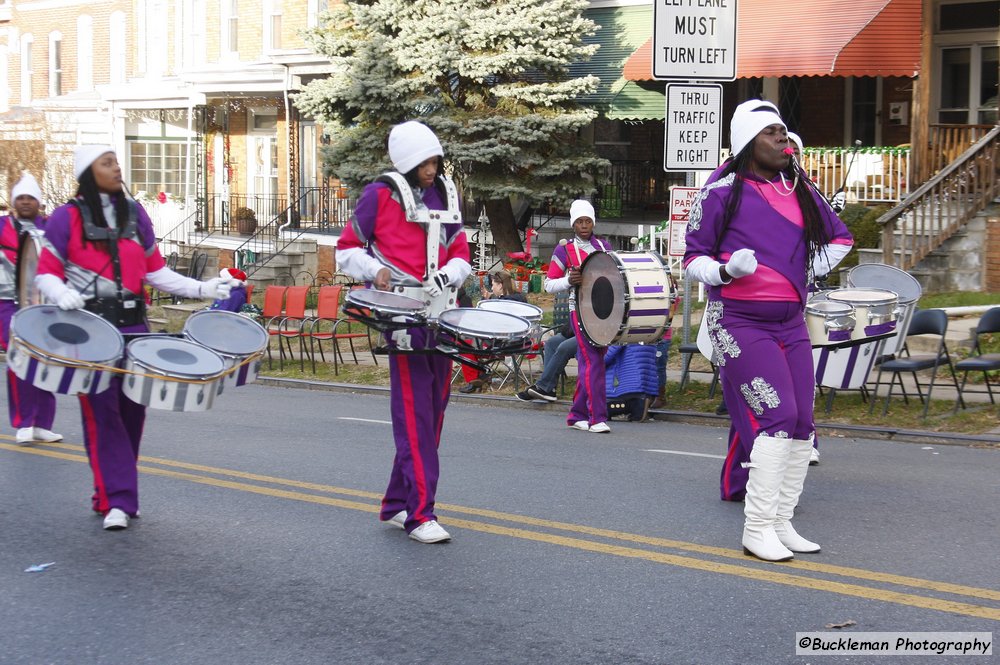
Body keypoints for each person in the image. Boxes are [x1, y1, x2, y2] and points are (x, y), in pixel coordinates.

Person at [684, 101, 853, 561]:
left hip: (791, 321)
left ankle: (782, 521)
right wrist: (725, 271)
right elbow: (692, 259)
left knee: (802, 422)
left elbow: (840, 238)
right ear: (747, 144)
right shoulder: (720, 193)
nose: (784, 139)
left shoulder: (800, 189)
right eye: (772, 133)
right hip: (737, 321)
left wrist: (806, 269)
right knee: (775, 418)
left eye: (784, 131)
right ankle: (756, 528)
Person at [35, 145, 237, 531]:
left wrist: (205, 289)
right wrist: (60, 293)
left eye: (115, 161)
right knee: (102, 414)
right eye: (107, 162)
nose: (116, 168)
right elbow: (46, 272)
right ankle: (121, 500)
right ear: (87, 172)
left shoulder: (135, 213)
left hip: (134, 329)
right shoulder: (66, 217)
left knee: (133, 412)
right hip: (90, 333)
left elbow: (156, 273)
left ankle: (107, 494)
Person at [335, 120, 471, 543]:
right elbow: (346, 250)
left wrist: (448, 276)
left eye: (435, 161)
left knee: (434, 416)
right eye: (425, 162)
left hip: (443, 313)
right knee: (414, 416)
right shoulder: (378, 195)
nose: (432, 169)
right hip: (403, 319)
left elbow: (462, 253)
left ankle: (396, 503)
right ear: (409, 162)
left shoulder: (447, 194)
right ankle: (420, 514)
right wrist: (374, 269)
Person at [539, 200, 613, 433]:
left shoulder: (604, 245)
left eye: (588, 221)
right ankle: (597, 417)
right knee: (594, 361)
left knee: (590, 361)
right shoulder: (564, 250)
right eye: (580, 221)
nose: (584, 225)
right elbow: (549, 284)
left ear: (593, 222)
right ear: (573, 224)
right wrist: (568, 281)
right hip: (578, 311)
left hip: (604, 310)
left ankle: (576, 415)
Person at [0, 172, 61, 446]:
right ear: (13, 202)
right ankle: (24, 423)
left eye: (30, 198)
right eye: (20, 198)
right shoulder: (2, 226)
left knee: (45, 361)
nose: (25, 202)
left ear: (39, 202)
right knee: (19, 362)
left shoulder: (52, 227)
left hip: (44, 306)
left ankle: (43, 424)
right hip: (7, 305)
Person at [460, 270, 526, 393]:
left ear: (500, 285)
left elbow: (485, 321)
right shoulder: (520, 299)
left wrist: (487, 301)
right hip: (521, 342)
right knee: (470, 341)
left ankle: (474, 380)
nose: (492, 288)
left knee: (464, 343)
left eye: (493, 285)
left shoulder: (499, 304)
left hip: (501, 345)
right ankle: (481, 375)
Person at [605, 343, 658, 422]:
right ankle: (640, 405)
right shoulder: (650, 333)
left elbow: (607, 356)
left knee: (602, 409)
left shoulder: (623, 332)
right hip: (646, 386)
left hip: (625, 389)